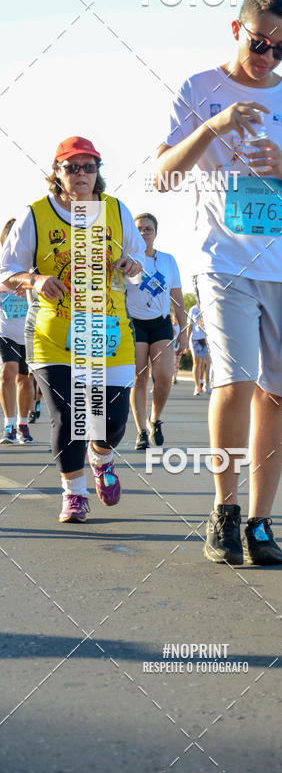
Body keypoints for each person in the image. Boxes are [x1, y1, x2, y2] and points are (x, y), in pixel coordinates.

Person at [156, 0, 282, 565]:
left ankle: (260, 522)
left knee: (277, 393)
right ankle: (224, 511)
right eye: (261, 44)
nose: (270, 57)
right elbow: (163, 176)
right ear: (237, 30)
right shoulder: (199, 89)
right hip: (222, 260)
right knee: (232, 379)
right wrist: (215, 125)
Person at [0, 136, 144, 523]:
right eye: (71, 167)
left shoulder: (116, 210)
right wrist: (34, 279)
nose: (80, 174)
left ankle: (102, 456)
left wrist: (132, 265)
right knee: (69, 415)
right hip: (52, 334)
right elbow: (4, 273)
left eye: (88, 167)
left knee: (111, 422)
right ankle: (74, 494)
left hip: (108, 330)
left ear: (98, 173)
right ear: (57, 173)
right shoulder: (36, 215)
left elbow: (139, 258)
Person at [126, 213, 188, 450]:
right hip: (135, 323)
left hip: (161, 322)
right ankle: (141, 431)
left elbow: (178, 297)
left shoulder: (168, 260)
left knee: (163, 376)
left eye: (148, 229)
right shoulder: (128, 260)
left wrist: (183, 330)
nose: (144, 233)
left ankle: (155, 418)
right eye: (139, 229)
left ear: (155, 232)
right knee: (139, 378)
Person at [0, 218, 34, 444]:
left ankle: (23, 423)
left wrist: (31, 289)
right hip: (5, 329)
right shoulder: (3, 264)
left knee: (25, 379)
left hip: (30, 330)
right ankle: (9, 425)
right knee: (7, 372)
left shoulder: (33, 262)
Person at [187, 303, 210, 394]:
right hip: (196, 339)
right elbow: (190, 325)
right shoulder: (193, 309)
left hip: (207, 339)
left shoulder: (209, 306)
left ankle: (206, 384)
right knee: (197, 363)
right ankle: (197, 387)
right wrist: (186, 340)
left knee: (208, 362)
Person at [171, 311, 182, 384]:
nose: (176, 318)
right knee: (173, 362)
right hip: (172, 345)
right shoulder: (171, 326)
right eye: (175, 317)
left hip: (178, 346)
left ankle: (175, 377)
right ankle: (172, 377)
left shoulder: (181, 327)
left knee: (177, 363)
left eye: (177, 317)